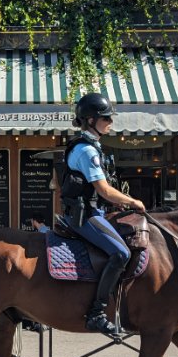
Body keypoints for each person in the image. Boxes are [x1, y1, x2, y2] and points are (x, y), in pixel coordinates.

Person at [59, 93, 145, 334]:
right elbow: (104, 189)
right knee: (120, 253)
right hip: (84, 216)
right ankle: (96, 312)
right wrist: (132, 201)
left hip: (92, 210)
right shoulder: (86, 151)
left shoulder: (91, 147)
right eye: (106, 118)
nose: (110, 122)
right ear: (90, 119)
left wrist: (117, 204)